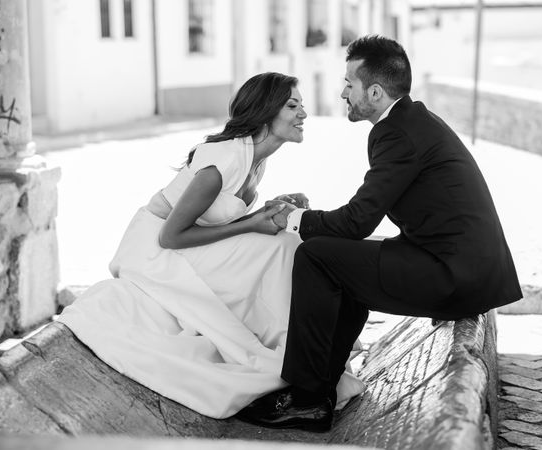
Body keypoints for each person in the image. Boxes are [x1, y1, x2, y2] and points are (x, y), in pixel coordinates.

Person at [236, 35, 522, 432]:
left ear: (374, 91)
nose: (342, 93)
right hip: (454, 266)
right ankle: (321, 388)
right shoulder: (408, 122)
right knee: (333, 256)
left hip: (454, 277)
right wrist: (310, 220)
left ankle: (307, 397)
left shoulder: (397, 134)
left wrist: (293, 217)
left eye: (349, 84)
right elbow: (361, 218)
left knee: (316, 256)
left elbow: (358, 221)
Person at [57, 72, 365, 420]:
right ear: (266, 112)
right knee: (282, 249)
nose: (303, 115)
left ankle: (310, 356)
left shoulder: (256, 162)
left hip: (186, 242)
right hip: (156, 250)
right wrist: (253, 222)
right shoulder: (225, 160)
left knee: (287, 244)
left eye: (302, 106)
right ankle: (297, 362)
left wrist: (267, 208)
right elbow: (170, 236)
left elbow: (219, 220)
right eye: (293, 106)